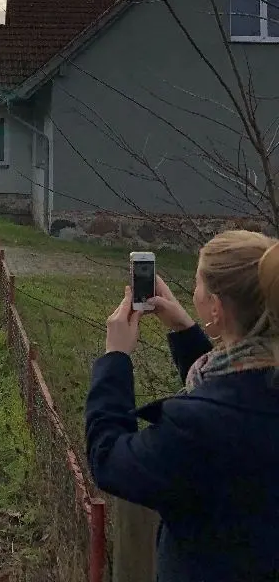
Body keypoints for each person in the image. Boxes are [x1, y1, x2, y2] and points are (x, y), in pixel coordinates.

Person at [85, 230, 279, 582]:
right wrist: (185, 331)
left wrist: (115, 358)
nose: (194, 294)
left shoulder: (193, 429)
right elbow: (236, 394)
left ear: (215, 307)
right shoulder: (259, 393)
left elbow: (109, 459)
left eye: (198, 285)